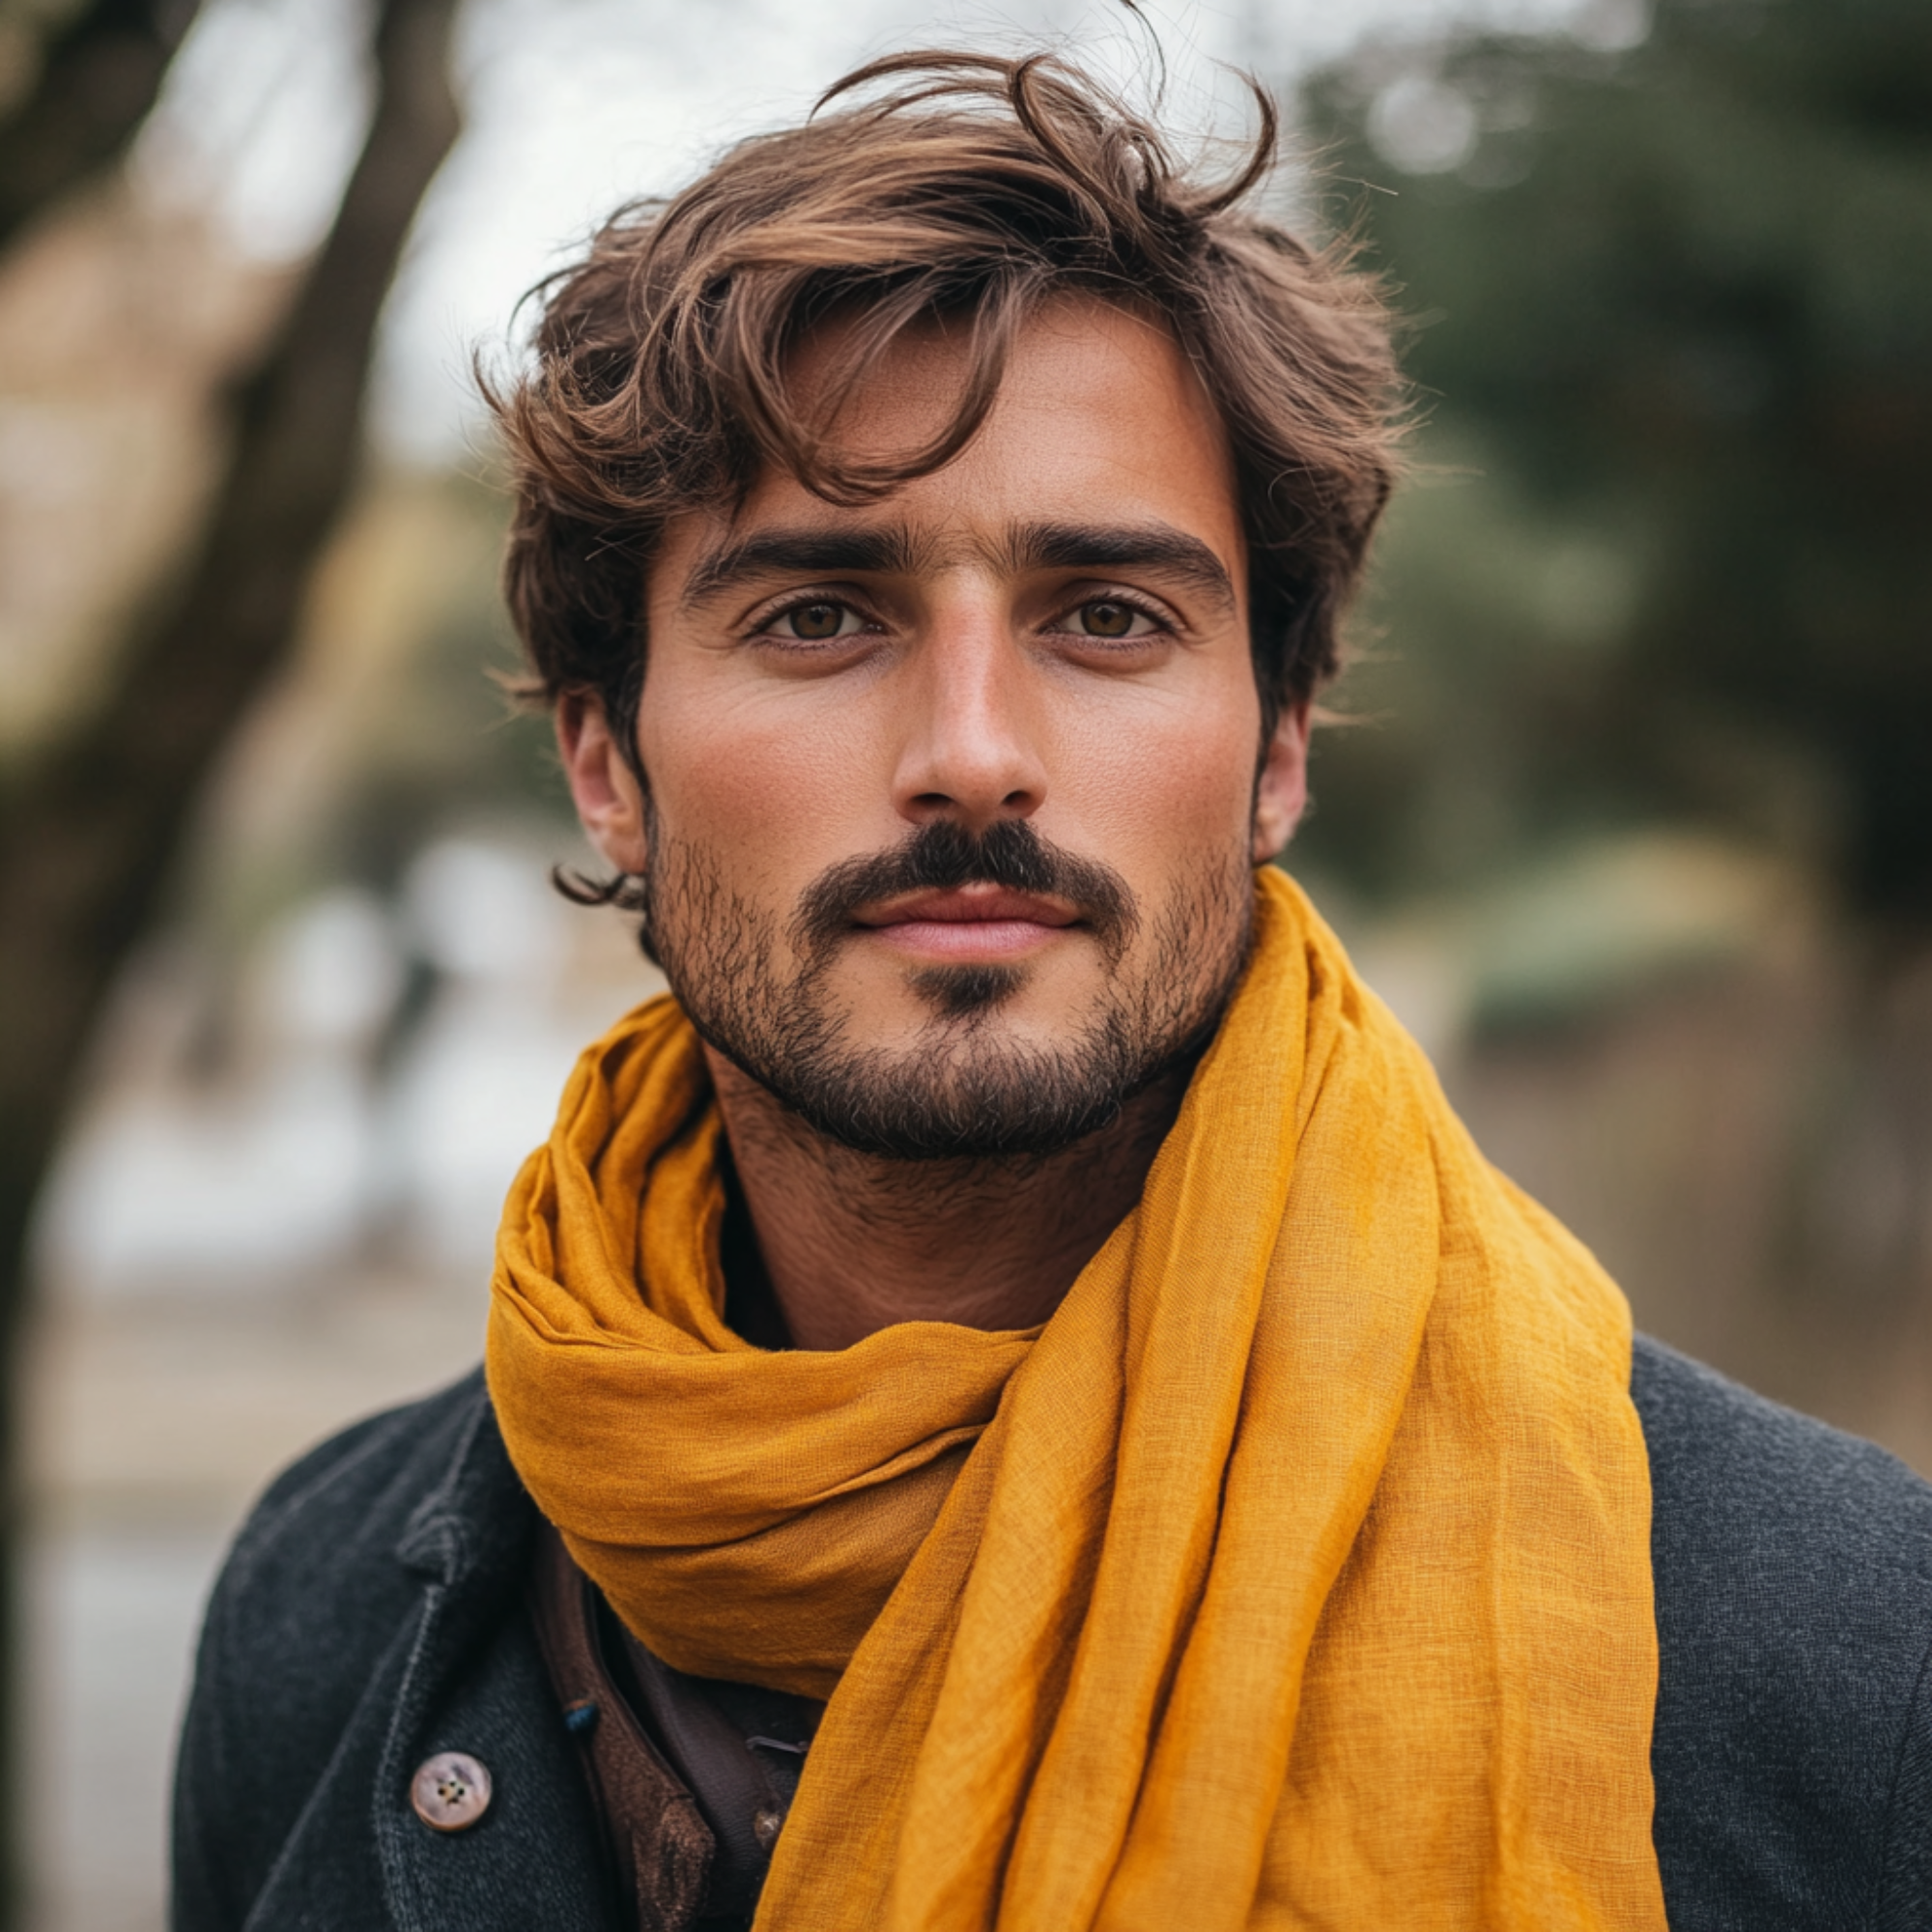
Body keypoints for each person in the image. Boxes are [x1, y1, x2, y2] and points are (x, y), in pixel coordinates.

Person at [171, 51, 1932, 1932]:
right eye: (817, 615)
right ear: (608, 759)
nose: (973, 754)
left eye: (1106, 614)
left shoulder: (1840, 1656)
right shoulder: (328, 1604)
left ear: (1275, 746)